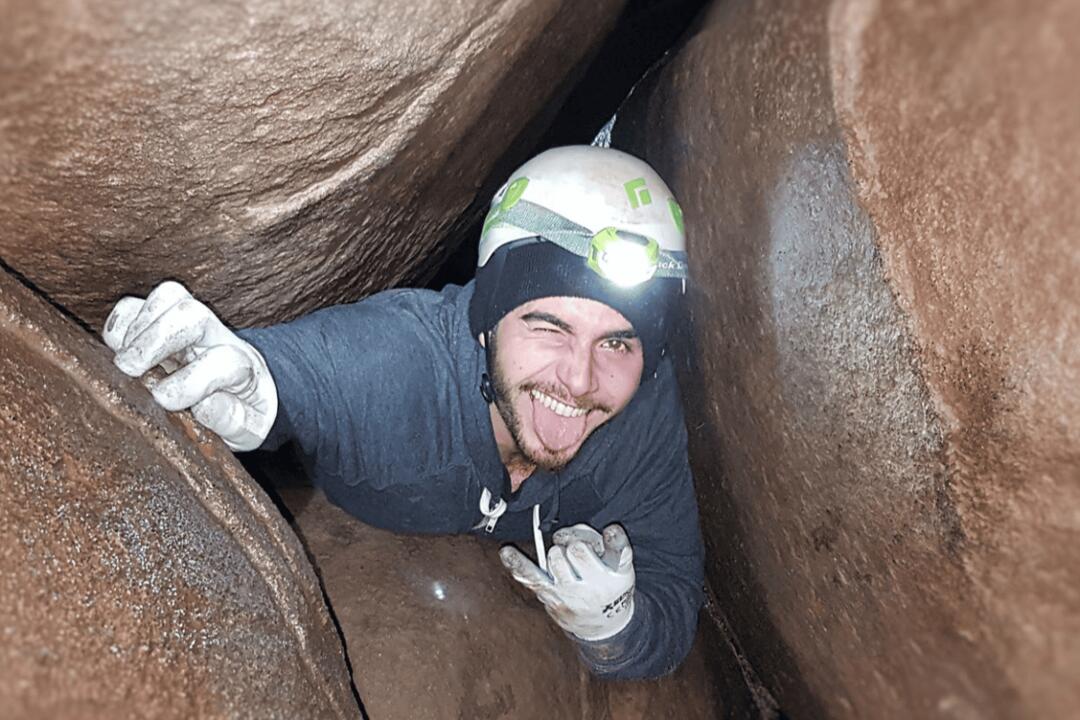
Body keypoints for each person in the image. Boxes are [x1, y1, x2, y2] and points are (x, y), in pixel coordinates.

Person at [104, 145, 704, 679]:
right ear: (486, 324)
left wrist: (613, 629)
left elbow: (674, 589)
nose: (579, 380)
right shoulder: (405, 359)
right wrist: (262, 380)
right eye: (549, 328)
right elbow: (313, 368)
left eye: (618, 343)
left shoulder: (642, 421)